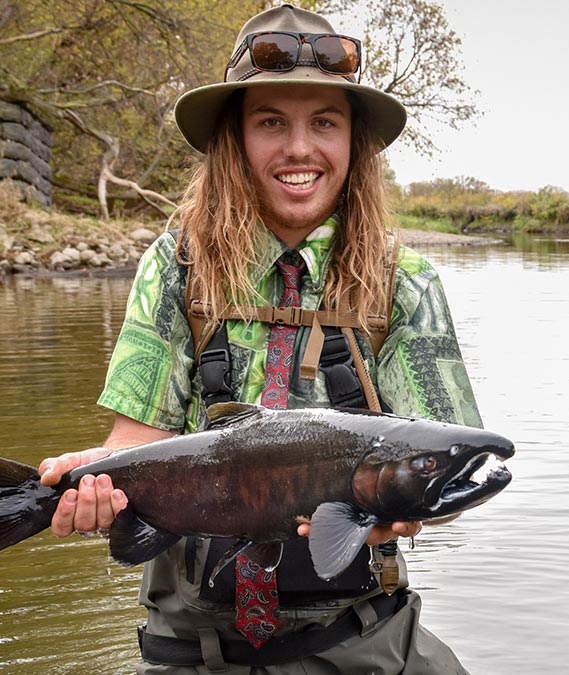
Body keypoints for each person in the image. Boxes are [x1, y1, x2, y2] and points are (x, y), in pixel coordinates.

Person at [36, 5, 482, 673]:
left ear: (353, 143)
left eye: (324, 123)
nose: (299, 148)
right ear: (235, 138)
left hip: (364, 641)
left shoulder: (405, 281)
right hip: (194, 648)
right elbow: (136, 447)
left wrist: (403, 512)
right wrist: (91, 483)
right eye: (271, 121)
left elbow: (443, 465)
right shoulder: (175, 264)